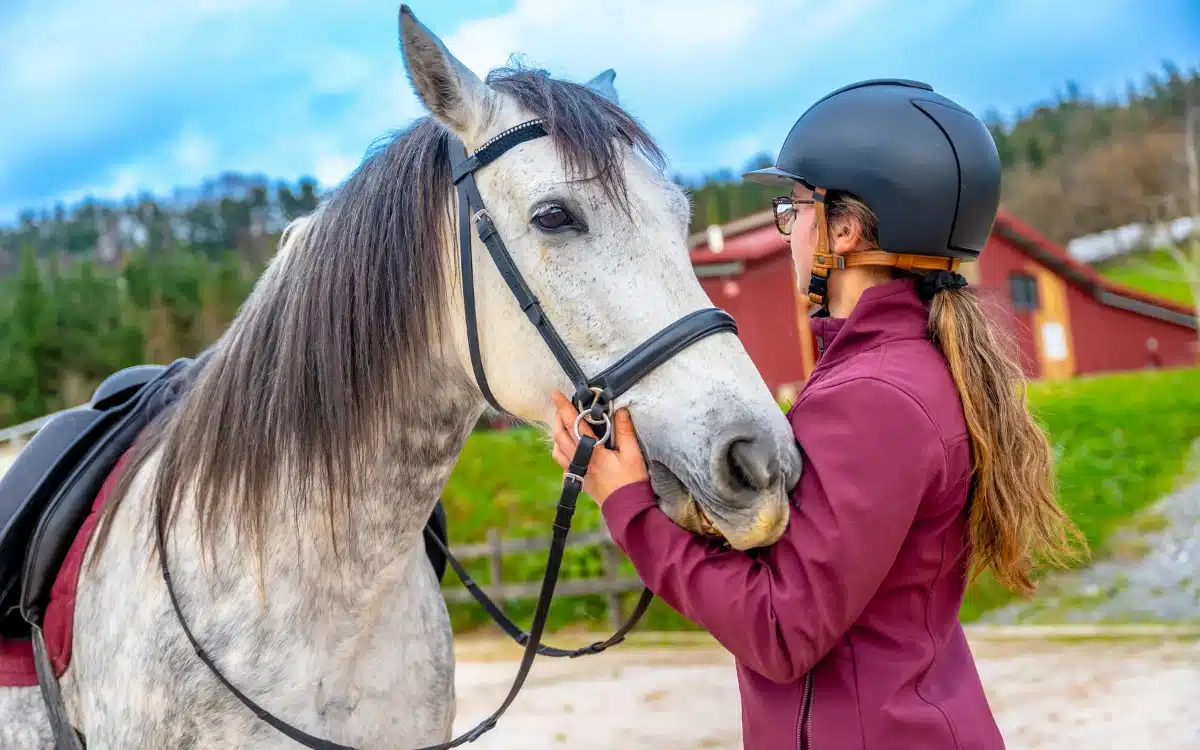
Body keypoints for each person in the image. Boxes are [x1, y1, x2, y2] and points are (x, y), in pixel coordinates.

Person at [547, 79, 1087, 749]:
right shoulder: (896, 370)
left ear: (845, 228)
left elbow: (779, 630)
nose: (789, 228)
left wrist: (625, 505)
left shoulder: (875, 397)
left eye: (796, 207)